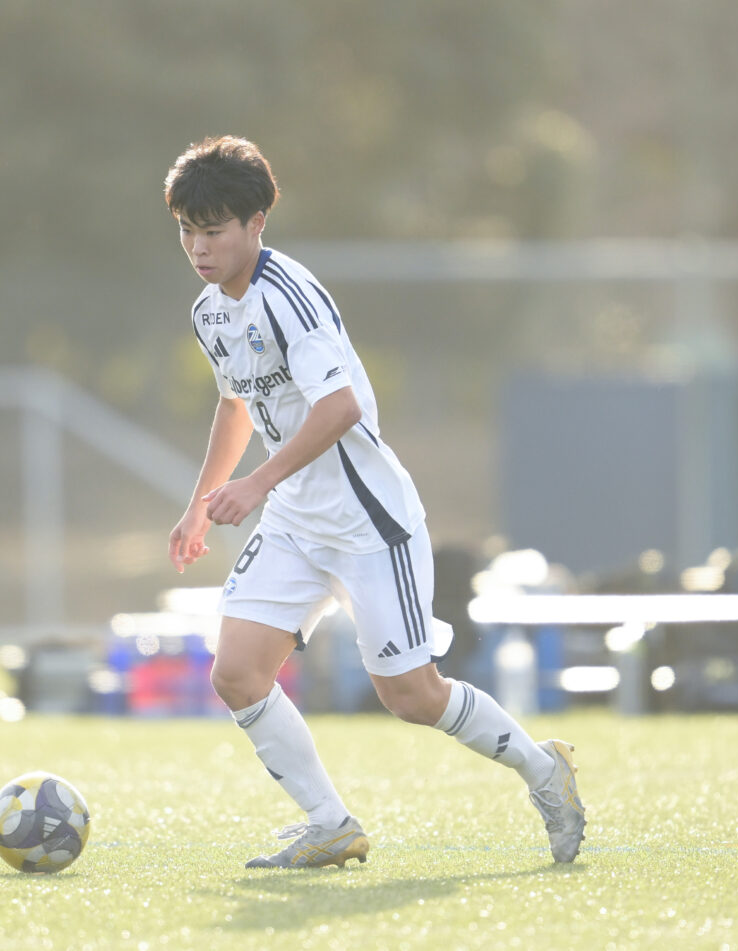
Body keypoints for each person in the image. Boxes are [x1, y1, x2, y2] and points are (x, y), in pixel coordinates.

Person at [164, 137, 585, 868]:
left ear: (257, 222)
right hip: (294, 522)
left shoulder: (288, 297)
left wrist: (256, 484)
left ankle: (544, 768)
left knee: (412, 696)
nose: (199, 247)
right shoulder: (210, 312)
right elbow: (236, 404)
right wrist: (202, 501)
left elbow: (341, 408)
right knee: (235, 674)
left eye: (214, 230)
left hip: (370, 523)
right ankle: (330, 823)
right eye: (186, 230)